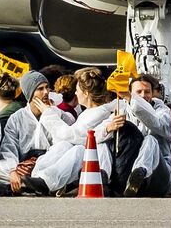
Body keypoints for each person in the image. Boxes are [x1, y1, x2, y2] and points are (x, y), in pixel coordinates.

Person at [0, 71, 74, 196]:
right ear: (30, 94)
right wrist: (12, 171)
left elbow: (64, 144)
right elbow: (9, 148)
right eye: (40, 89)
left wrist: (51, 114)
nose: (46, 92)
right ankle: (26, 185)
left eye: (47, 87)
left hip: (48, 166)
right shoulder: (17, 118)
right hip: (23, 169)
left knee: (66, 149)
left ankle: (17, 187)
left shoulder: (59, 114)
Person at [27, 67, 114, 195]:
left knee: (77, 149)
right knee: (64, 145)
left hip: (98, 161)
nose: (76, 94)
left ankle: (47, 182)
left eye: (77, 90)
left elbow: (71, 135)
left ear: (86, 93)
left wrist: (48, 113)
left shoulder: (99, 112)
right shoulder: (89, 112)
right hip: (89, 155)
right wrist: (53, 111)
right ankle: (39, 178)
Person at [95, 73, 171, 196]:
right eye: (139, 92)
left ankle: (139, 175)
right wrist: (109, 128)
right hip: (127, 169)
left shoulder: (162, 111)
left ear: (152, 93)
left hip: (158, 173)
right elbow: (93, 136)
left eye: (147, 92)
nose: (143, 95)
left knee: (150, 139)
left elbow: (159, 125)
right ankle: (102, 176)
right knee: (103, 142)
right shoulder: (122, 110)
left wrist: (132, 99)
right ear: (131, 92)